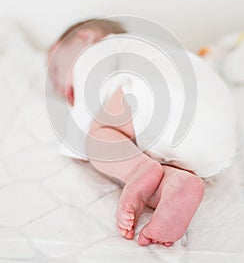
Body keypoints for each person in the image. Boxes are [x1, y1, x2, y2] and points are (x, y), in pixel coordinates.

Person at [48, 18, 237, 246]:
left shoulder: (98, 49)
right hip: (218, 141)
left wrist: (76, 143)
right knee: (162, 172)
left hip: (168, 96)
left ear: (84, 37)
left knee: (99, 135)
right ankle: (176, 182)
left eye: (56, 69)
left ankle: (138, 168)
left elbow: (83, 124)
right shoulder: (158, 50)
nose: (58, 87)